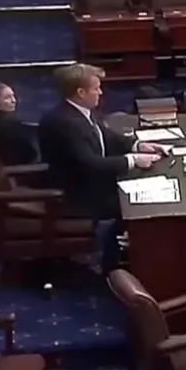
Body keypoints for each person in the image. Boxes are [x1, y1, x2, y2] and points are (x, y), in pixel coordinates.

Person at [37, 64, 166, 272]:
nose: (101, 92)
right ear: (81, 92)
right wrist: (133, 160)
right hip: (78, 194)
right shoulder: (65, 123)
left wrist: (137, 145)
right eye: (96, 88)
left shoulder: (80, 111)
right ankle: (113, 263)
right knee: (139, 205)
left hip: (91, 181)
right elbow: (90, 163)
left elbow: (104, 135)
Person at [0, 80, 37, 165]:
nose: (14, 101)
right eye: (7, 97)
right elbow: (29, 154)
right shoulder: (12, 126)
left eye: (13, 96)